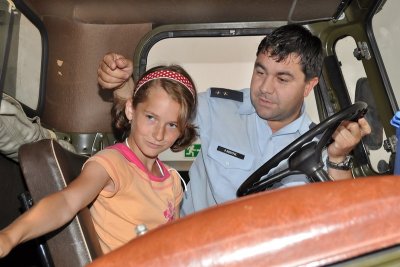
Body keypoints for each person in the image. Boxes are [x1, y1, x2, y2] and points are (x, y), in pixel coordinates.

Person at [97, 24, 371, 216]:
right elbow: (151, 112)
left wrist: (338, 157)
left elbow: (342, 214)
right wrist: (122, 86)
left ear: (309, 86)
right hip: (194, 247)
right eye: (260, 72)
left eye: (282, 79)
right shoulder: (218, 107)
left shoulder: (320, 141)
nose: (265, 87)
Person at [0, 65, 198, 256]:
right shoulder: (112, 164)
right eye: (151, 117)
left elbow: (175, 245)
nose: (159, 134)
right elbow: (67, 201)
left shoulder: (172, 182)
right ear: (131, 110)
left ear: (182, 130)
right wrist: (10, 236)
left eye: (172, 125)